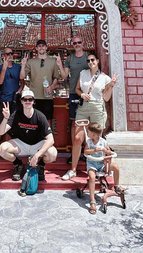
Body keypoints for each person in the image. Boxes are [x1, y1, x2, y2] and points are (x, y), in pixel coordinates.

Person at [0, 88, 58, 183]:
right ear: (21, 101)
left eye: (30, 99)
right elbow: (1, 132)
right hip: (22, 144)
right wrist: (5, 118)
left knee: (52, 154)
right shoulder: (16, 114)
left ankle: (41, 166)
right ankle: (18, 164)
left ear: (33, 101)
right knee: (2, 149)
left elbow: (51, 140)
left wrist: (37, 156)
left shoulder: (40, 116)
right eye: (25, 99)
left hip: (38, 145)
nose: (27, 102)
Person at [60, 35, 89, 180]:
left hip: (87, 94)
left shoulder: (88, 57)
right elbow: (64, 75)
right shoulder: (70, 58)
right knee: (74, 122)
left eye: (79, 42)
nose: (77, 44)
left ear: (83, 43)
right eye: (74, 43)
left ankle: (86, 152)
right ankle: (75, 152)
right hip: (73, 92)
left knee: (88, 124)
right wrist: (59, 64)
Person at [84, 121, 125, 214]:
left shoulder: (103, 142)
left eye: (88, 132)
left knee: (116, 167)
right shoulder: (89, 142)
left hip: (102, 164)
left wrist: (105, 150)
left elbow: (109, 152)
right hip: (92, 164)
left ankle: (116, 186)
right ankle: (92, 200)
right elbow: (86, 151)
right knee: (92, 177)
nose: (87, 134)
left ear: (93, 134)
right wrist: (94, 150)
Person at [0, 48, 23, 161]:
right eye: (7, 54)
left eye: (11, 53)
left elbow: (22, 81)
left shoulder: (18, 67)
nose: (10, 56)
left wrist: (19, 90)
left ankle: (6, 150)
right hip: (3, 99)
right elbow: (0, 81)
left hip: (14, 100)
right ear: (3, 56)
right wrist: (4, 67)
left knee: (10, 126)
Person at [20, 39, 61, 123]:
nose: (41, 48)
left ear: (46, 47)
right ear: (36, 48)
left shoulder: (53, 61)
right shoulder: (31, 62)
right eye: (39, 46)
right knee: (34, 121)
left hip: (47, 96)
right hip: (34, 97)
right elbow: (22, 76)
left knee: (47, 121)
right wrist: (23, 65)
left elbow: (56, 77)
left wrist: (52, 87)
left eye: (43, 46)